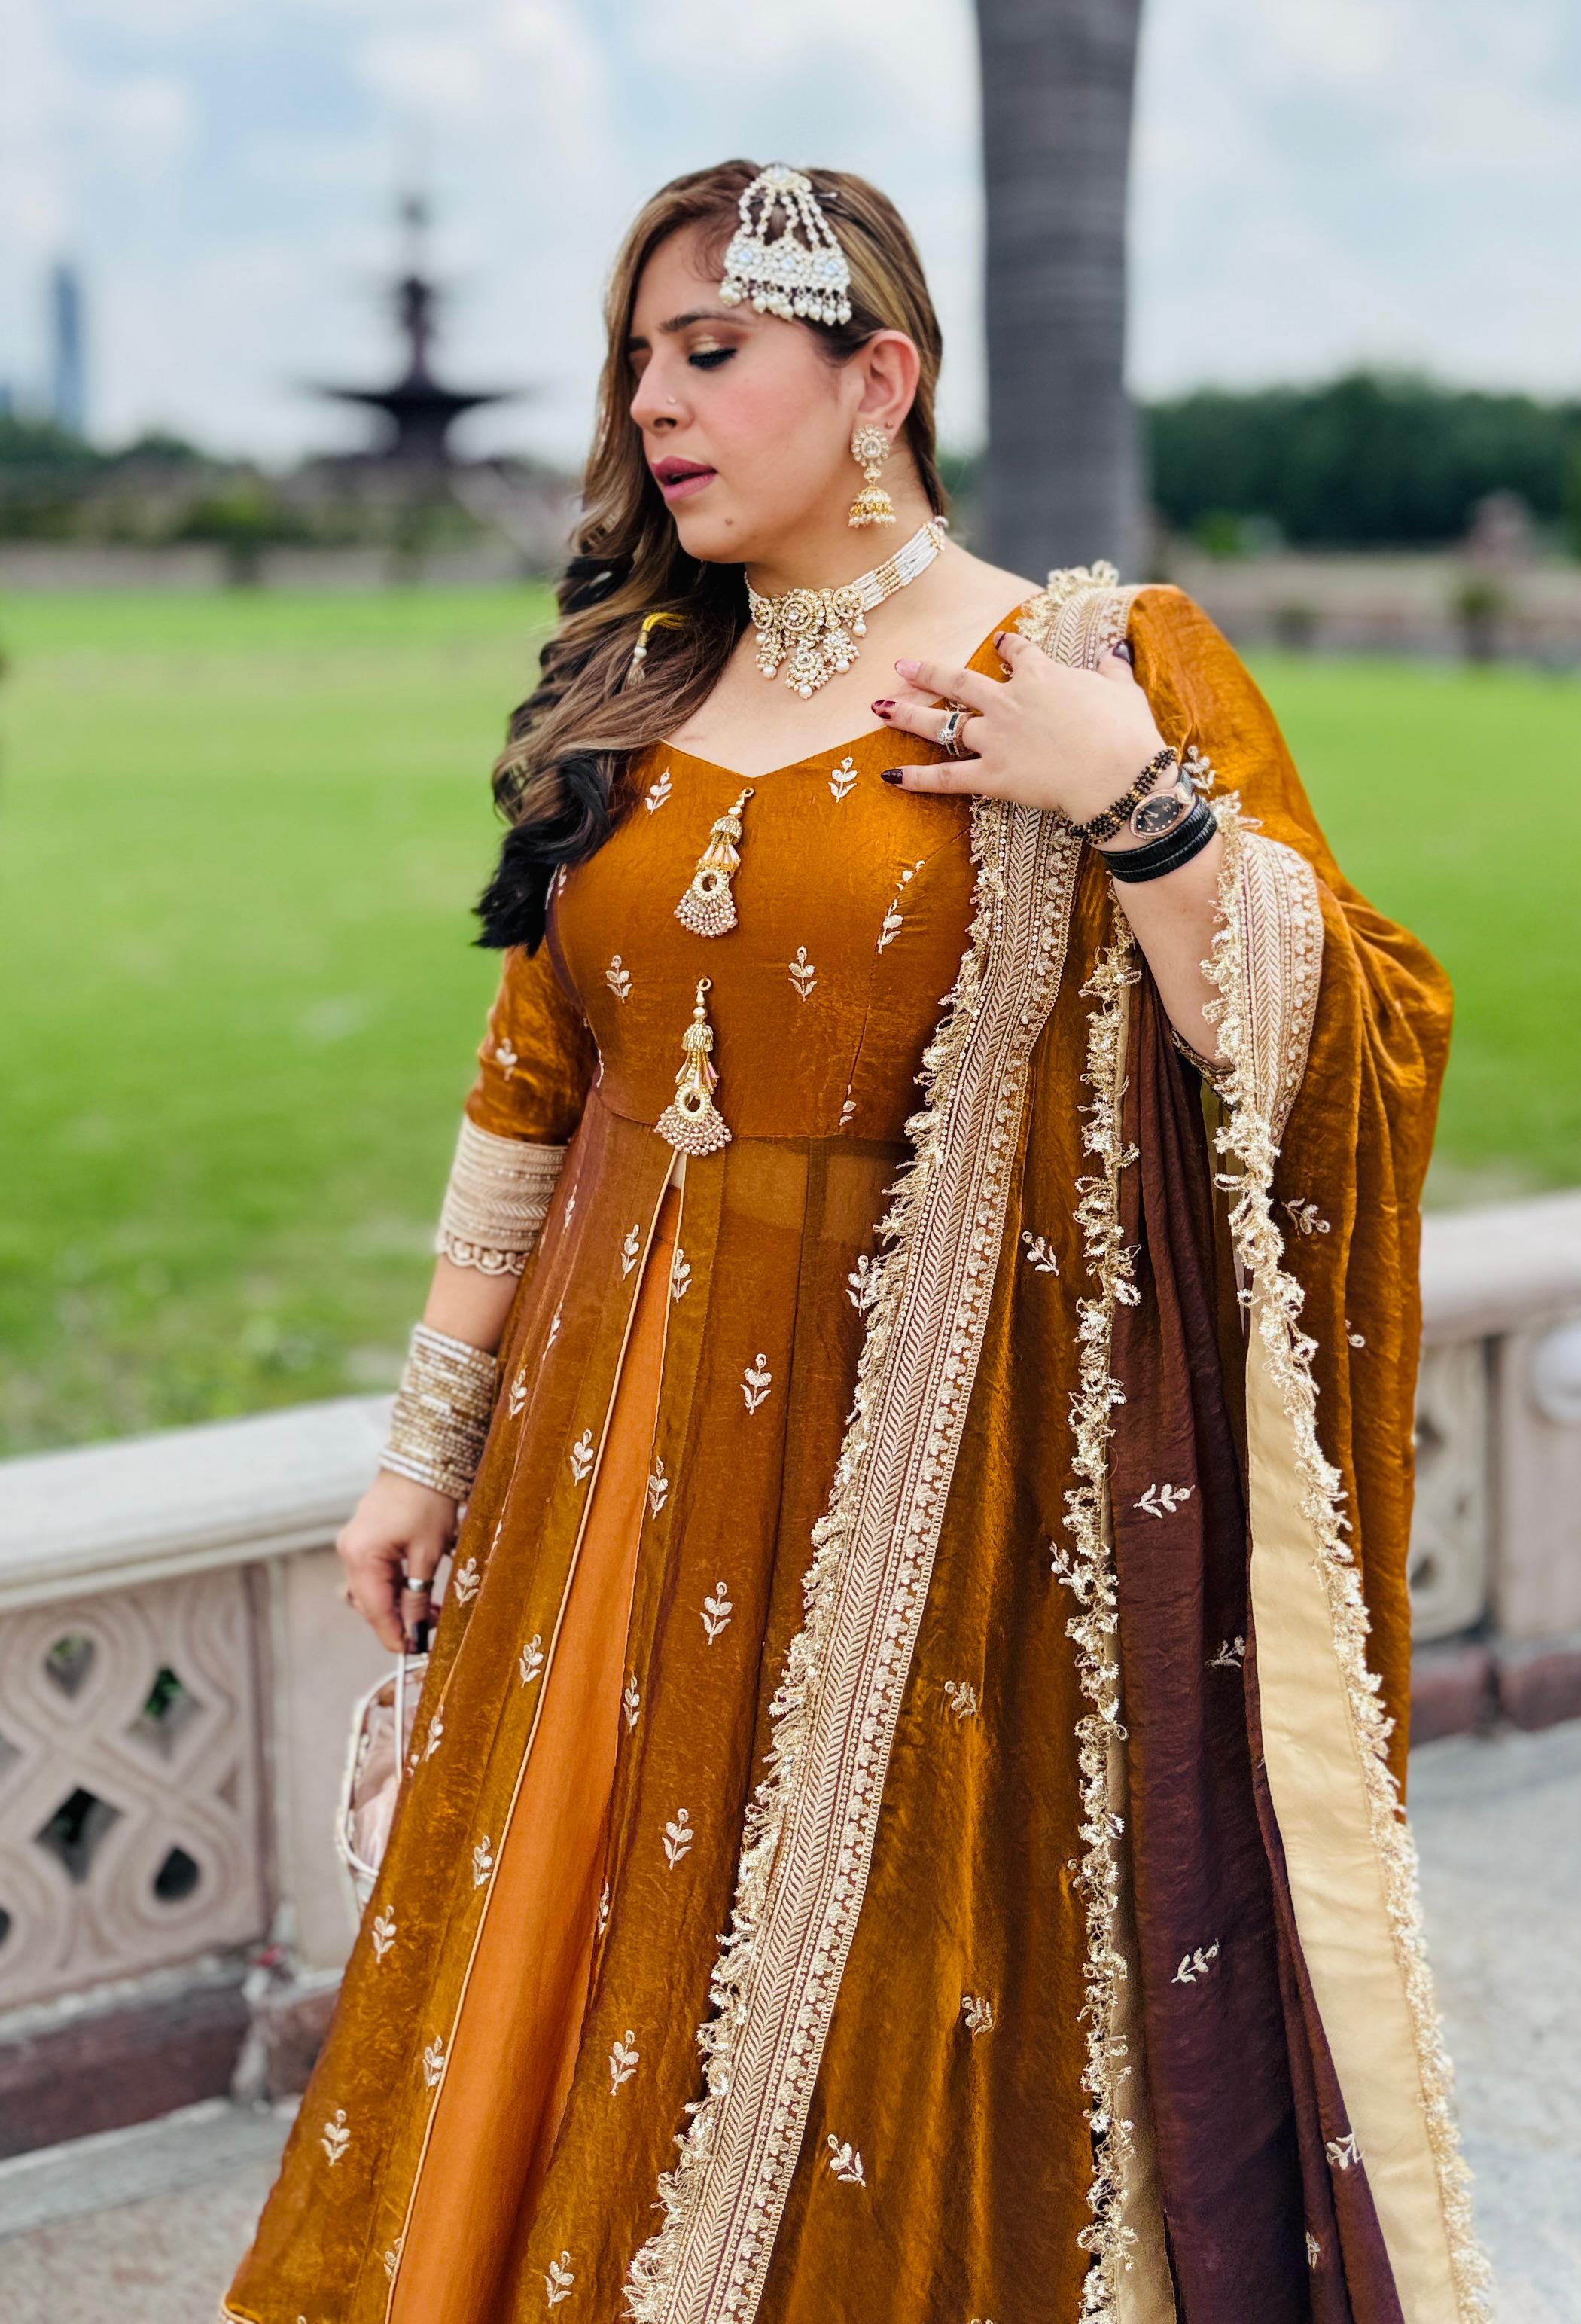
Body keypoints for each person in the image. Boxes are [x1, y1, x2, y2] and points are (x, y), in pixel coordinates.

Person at [225, 162, 1485, 2324]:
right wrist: (426, 1447)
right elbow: (534, 1085)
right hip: (603, 1471)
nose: (653, 406)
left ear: (878, 379)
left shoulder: (1091, 662)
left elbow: (1349, 1046)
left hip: (927, 1489)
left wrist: (1136, 803)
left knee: (878, 2003)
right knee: (567, 1962)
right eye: (637, 361)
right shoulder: (634, 700)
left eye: (709, 352)